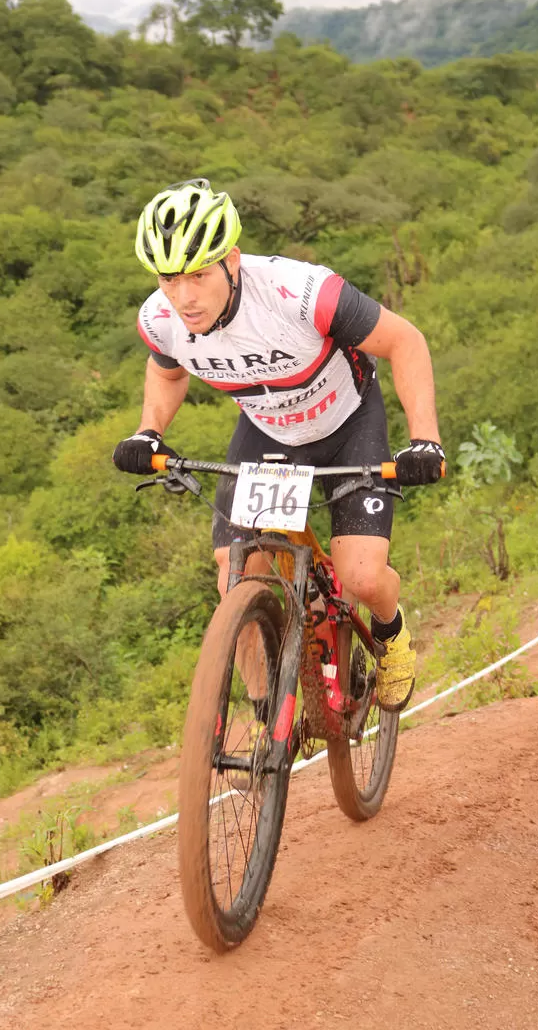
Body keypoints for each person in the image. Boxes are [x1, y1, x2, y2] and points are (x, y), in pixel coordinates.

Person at [112, 178, 444, 712]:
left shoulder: (303, 293)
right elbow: (168, 373)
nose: (184, 296)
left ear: (233, 261)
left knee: (360, 575)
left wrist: (425, 440)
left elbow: (406, 341)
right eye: (169, 278)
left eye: (197, 275)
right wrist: (148, 432)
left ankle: (391, 631)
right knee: (233, 572)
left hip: (347, 424)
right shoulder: (160, 319)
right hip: (269, 436)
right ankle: (269, 715)